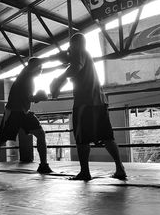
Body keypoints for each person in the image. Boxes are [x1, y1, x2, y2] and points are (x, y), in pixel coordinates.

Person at [49, 33, 126, 180]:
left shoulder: (79, 53)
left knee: (82, 139)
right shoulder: (85, 56)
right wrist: (59, 84)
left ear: (74, 44)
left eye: (71, 45)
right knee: (107, 136)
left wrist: (57, 81)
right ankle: (120, 168)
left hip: (85, 103)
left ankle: (85, 171)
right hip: (99, 101)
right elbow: (72, 70)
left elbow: (74, 68)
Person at [0, 57, 53, 174]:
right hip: (14, 113)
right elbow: (29, 97)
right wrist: (39, 97)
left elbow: (27, 97)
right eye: (40, 68)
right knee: (1, 141)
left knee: (40, 134)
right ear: (34, 67)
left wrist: (36, 97)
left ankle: (43, 165)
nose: (41, 70)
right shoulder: (26, 76)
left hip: (24, 112)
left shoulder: (28, 77)